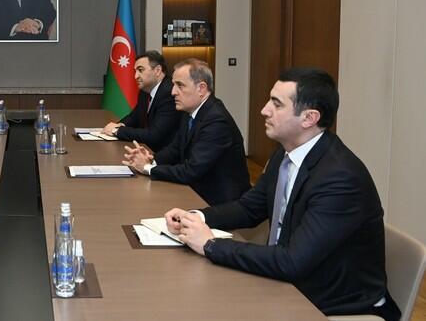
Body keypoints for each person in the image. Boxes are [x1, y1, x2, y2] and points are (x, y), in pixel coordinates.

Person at [164, 68, 400, 321]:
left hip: (332, 303)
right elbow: (249, 208)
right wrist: (195, 217)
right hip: (291, 281)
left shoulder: (340, 177)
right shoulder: (285, 153)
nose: (264, 110)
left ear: (309, 118)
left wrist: (210, 245)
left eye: (277, 104)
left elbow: (292, 262)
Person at [123, 58, 249, 205]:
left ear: (201, 88)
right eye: (173, 85)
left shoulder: (216, 121)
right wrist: (152, 159)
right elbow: (175, 149)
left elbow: (191, 171)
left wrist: (147, 168)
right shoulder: (189, 112)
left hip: (219, 202)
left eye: (180, 85)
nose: (173, 92)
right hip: (195, 191)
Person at [101, 50, 181, 152]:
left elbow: (154, 135)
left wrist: (117, 131)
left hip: (164, 154)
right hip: (147, 149)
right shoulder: (145, 90)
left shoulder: (169, 93)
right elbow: (135, 116)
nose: (136, 76)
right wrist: (119, 125)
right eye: (135, 71)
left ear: (157, 70)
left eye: (140, 70)